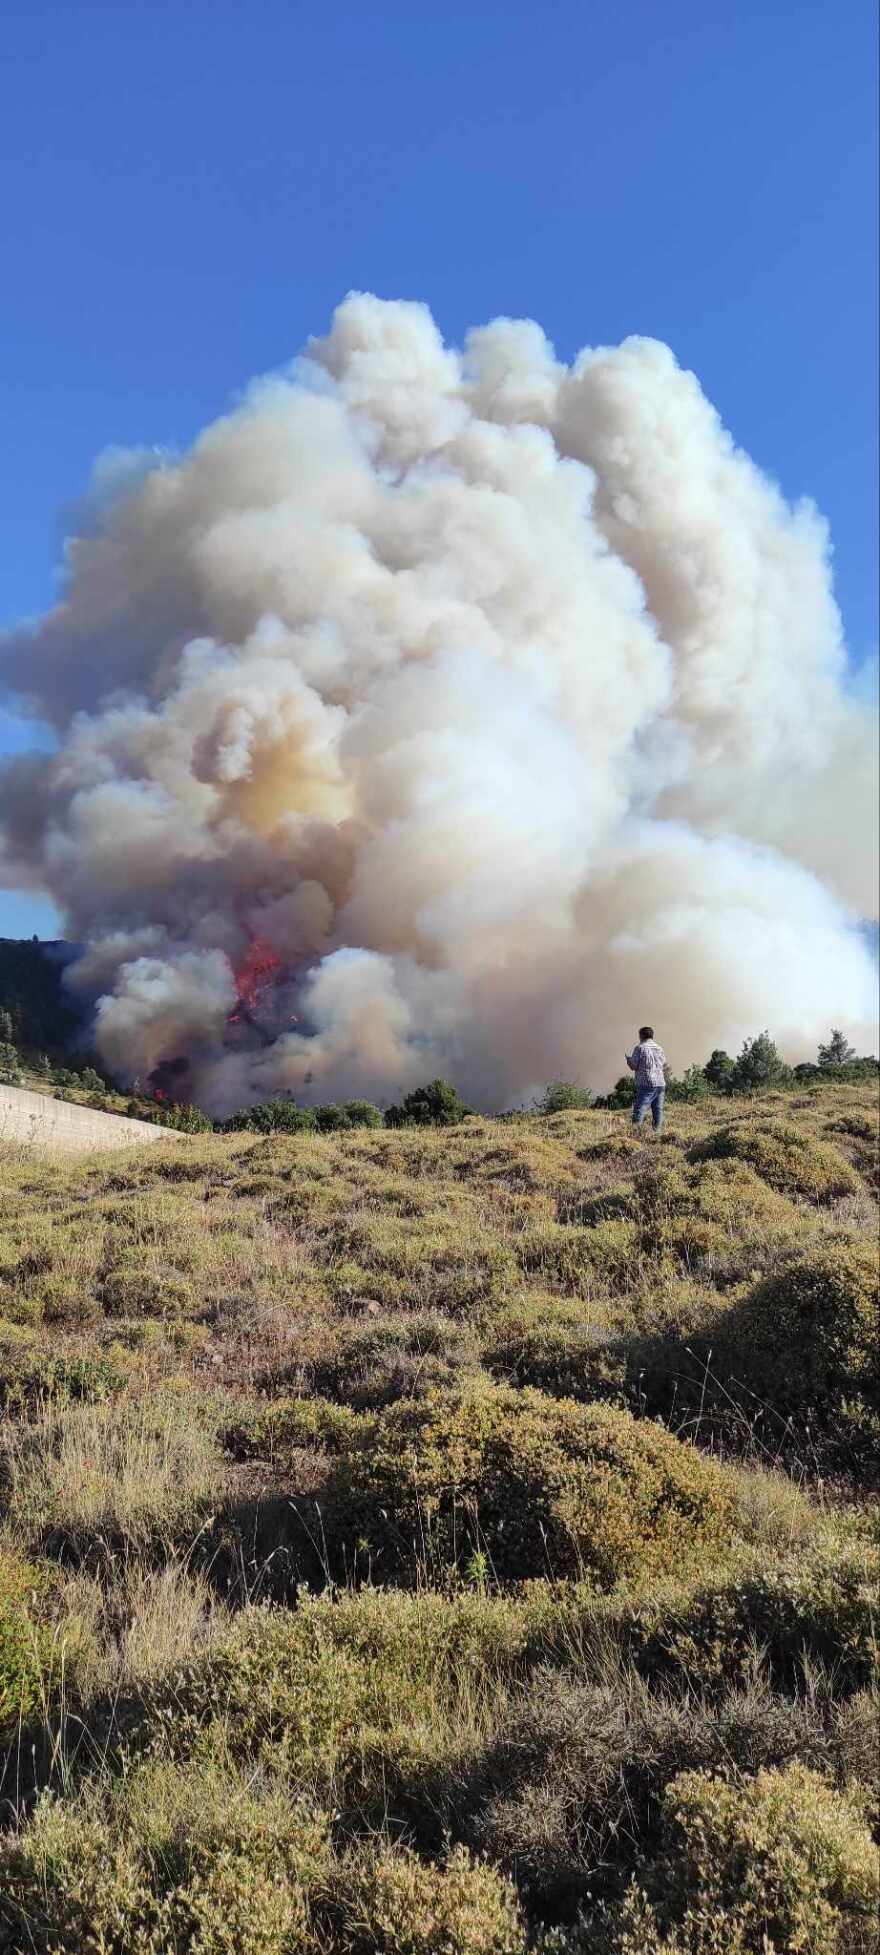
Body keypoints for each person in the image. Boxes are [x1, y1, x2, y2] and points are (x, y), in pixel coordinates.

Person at [625, 1025, 669, 1133]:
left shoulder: (639, 1048)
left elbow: (634, 1066)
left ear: (641, 1036)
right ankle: (656, 1133)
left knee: (639, 1109)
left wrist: (629, 1060)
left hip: (646, 1083)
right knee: (658, 1110)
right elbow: (664, 1064)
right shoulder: (659, 1048)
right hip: (660, 1083)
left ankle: (635, 1133)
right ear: (652, 1036)